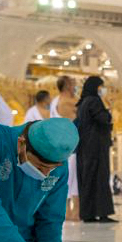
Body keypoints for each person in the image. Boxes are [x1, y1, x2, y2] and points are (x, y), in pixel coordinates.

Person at [75, 76, 116, 222]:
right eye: (101, 87)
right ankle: (102, 213)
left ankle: (88, 214)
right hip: (96, 147)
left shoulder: (83, 103)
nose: (102, 90)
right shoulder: (94, 101)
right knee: (99, 178)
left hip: (85, 147)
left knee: (88, 179)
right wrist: (109, 109)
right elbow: (103, 119)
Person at [51, 76, 80, 220]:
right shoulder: (67, 102)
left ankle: (70, 211)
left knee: (68, 179)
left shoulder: (55, 101)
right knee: (73, 179)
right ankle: (73, 212)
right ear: (67, 85)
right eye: (73, 83)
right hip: (70, 146)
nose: (75, 85)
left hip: (61, 144)